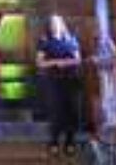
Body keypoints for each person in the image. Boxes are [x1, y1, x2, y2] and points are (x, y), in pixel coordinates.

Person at [36, 14, 85, 158]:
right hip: (53, 81)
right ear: (49, 26)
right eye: (52, 23)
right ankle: (54, 142)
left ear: (62, 24)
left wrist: (65, 63)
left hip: (71, 80)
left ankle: (70, 142)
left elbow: (78, 59)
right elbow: (40, 62)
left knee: (72, 110)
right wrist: (55, 63)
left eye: (57, 22)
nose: (55, 25)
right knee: (56, 111)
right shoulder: (44, 41)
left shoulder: (70, 39)